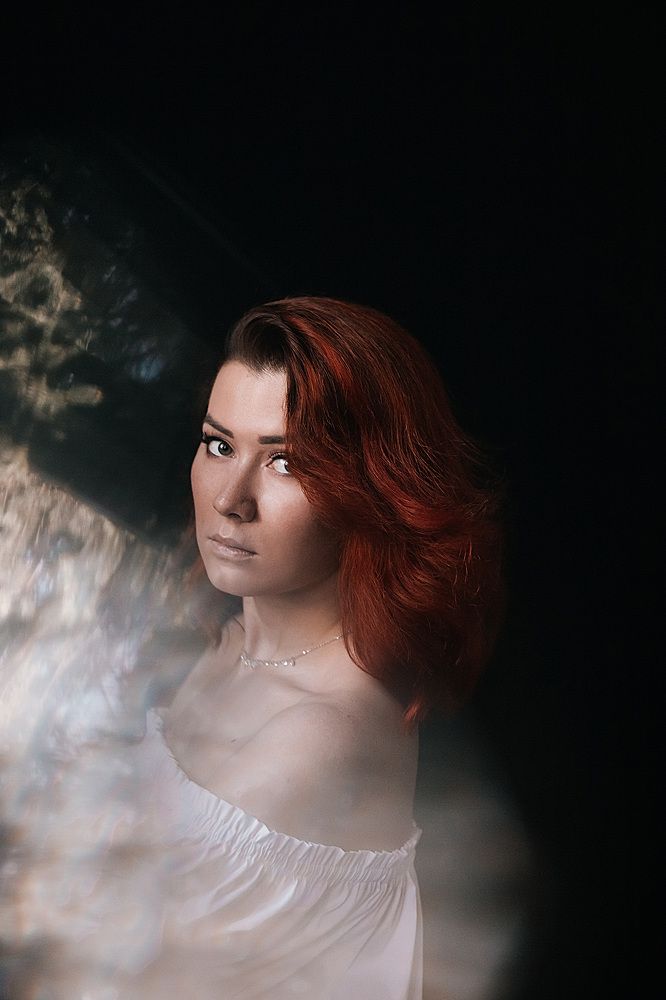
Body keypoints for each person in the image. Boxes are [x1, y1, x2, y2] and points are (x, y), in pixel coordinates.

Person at [123, 295, 503, 1000]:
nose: (231, 499)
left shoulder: (319, 733)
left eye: (286, 463)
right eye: (219, 445)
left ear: (375, 491)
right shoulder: (231, 637)